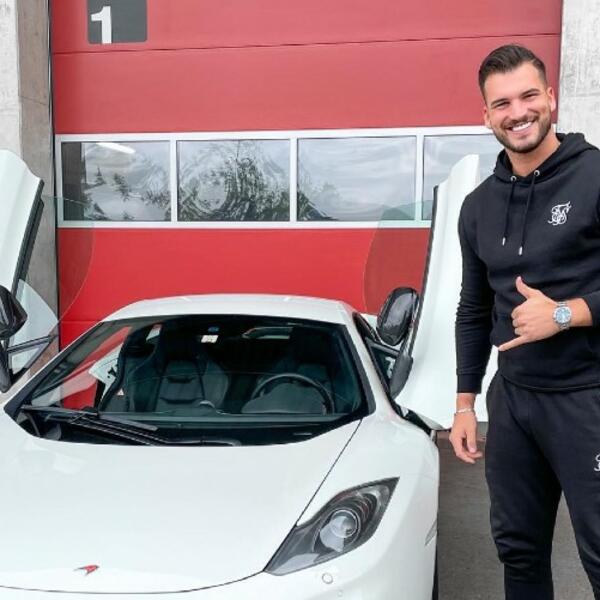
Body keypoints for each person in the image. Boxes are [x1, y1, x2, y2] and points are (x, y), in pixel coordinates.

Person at [449, 44, 600, 600]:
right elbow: (472, 308)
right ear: (486, 115)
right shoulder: (477, 206)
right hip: (513, 401)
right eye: (502, 103)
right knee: (517, 549)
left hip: (587, 396)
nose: (518, 112)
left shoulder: (595, 177)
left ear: (551, 98)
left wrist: (566, 313)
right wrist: (465, 403)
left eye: (529, 96)